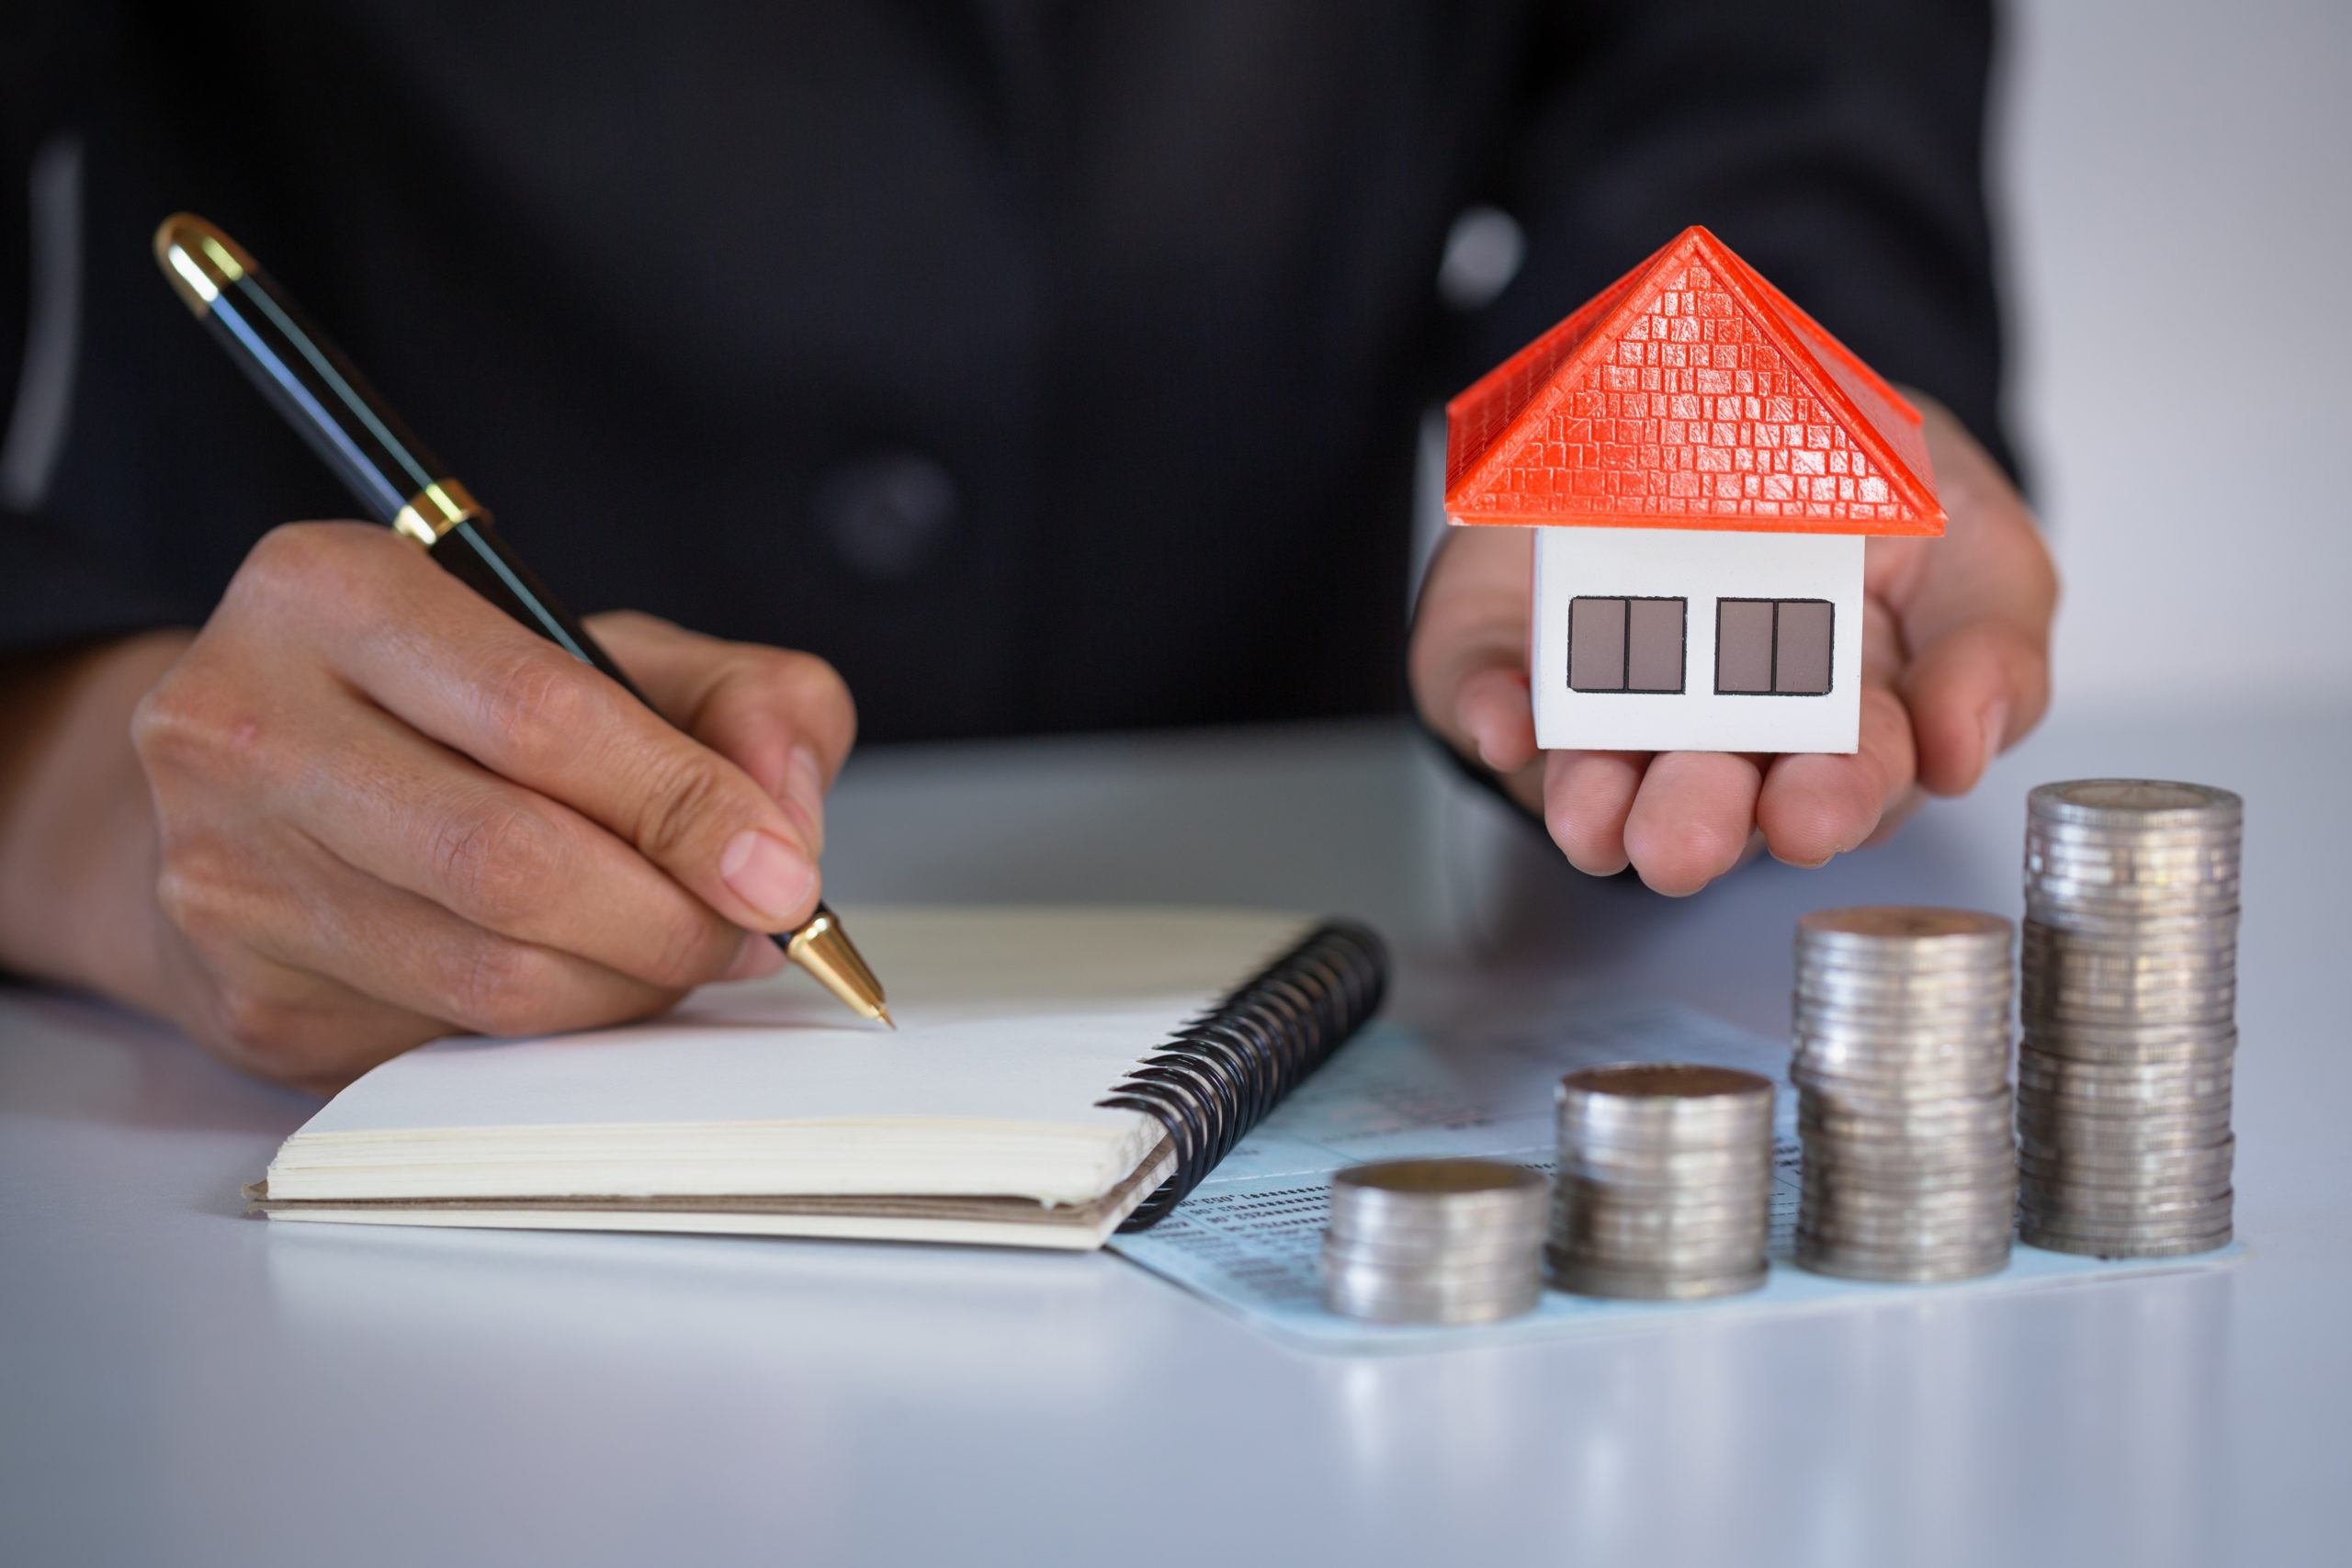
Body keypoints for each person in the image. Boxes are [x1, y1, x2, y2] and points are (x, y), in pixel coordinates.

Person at [0, 2, 2055, 1089]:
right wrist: (71, 778)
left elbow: (1771, 63)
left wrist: (1765, 378)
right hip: (227, 968)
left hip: (1326, 856)